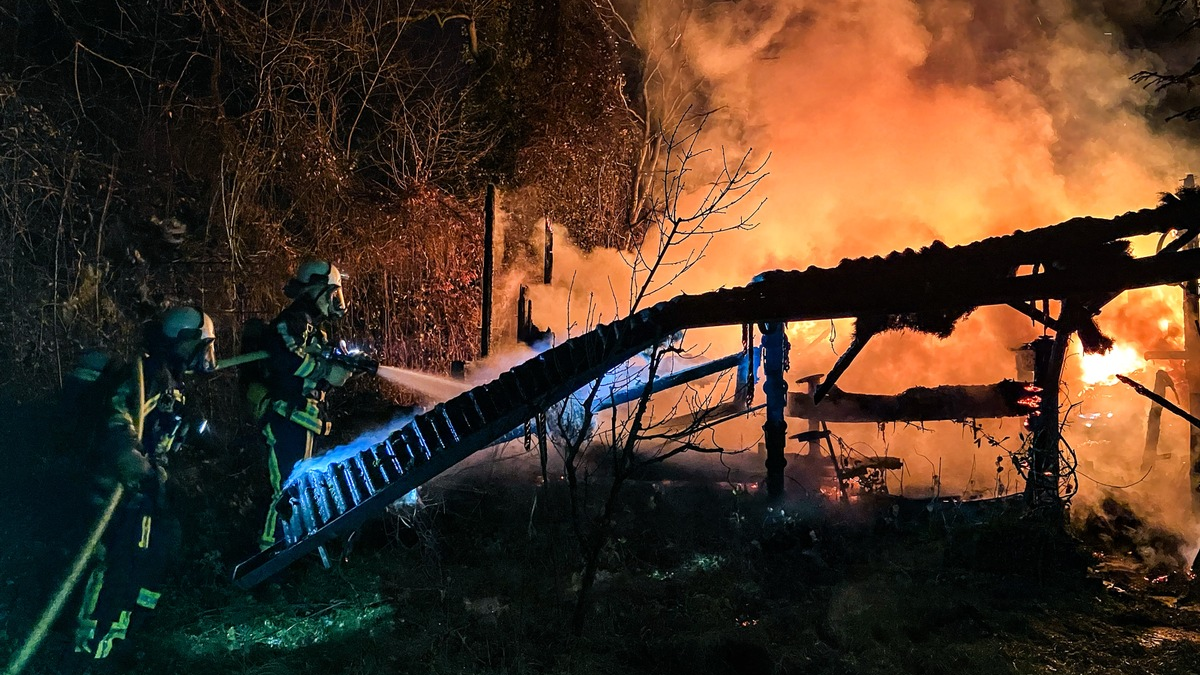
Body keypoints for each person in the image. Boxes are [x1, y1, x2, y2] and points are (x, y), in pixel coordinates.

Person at [71, 306, 216, 665]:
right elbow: (118, 417)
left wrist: (204, 438)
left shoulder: (172, 383)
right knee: (119, 564)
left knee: (158, 551)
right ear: (185, 343)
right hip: (120, 494)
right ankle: (92, 648)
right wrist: (135, 463)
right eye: (203, 345)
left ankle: (127, 636)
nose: (206, 355)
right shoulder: (147, 375)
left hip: (146, 495)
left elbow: (167, 430)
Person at [254, 260, 364, 550]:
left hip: (303, 421)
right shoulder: (293, 321)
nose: (335, 300)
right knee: (285, 489)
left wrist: (342, 370)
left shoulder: (314, 330)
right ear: (316, 291)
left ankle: (290, 550)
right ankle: (268, 556)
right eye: (332, 293)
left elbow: (314, 378)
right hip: (287, 420)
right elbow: (286, 360)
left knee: (298, 488)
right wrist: (326, 370)